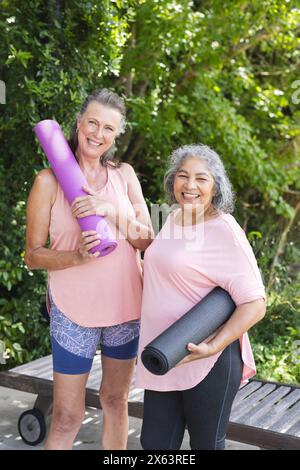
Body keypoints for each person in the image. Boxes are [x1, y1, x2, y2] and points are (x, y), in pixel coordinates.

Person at [25, 88, 154, 450]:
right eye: (92, 122)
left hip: (125, 308)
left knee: (115, 401)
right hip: (73, 311)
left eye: (108, 128)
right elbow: (33, 255)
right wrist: (75, 257)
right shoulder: (48, 182)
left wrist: (111, 211)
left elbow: (146, 241)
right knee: (67, 415)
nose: (98, 133)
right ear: (79, 122)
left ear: (117, 135)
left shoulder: (125, 176)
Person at [135, 144, 266, 450]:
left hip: (209, 359)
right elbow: (165, 274)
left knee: (206, 445)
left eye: (201, 179)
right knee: (155, 444)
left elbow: (255, 302)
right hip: (164, 353)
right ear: (172, 182)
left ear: (216, 186)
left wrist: (214, 346)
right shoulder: (173, 218)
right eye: (182, 176)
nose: (190, 186)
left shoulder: (225, 230)